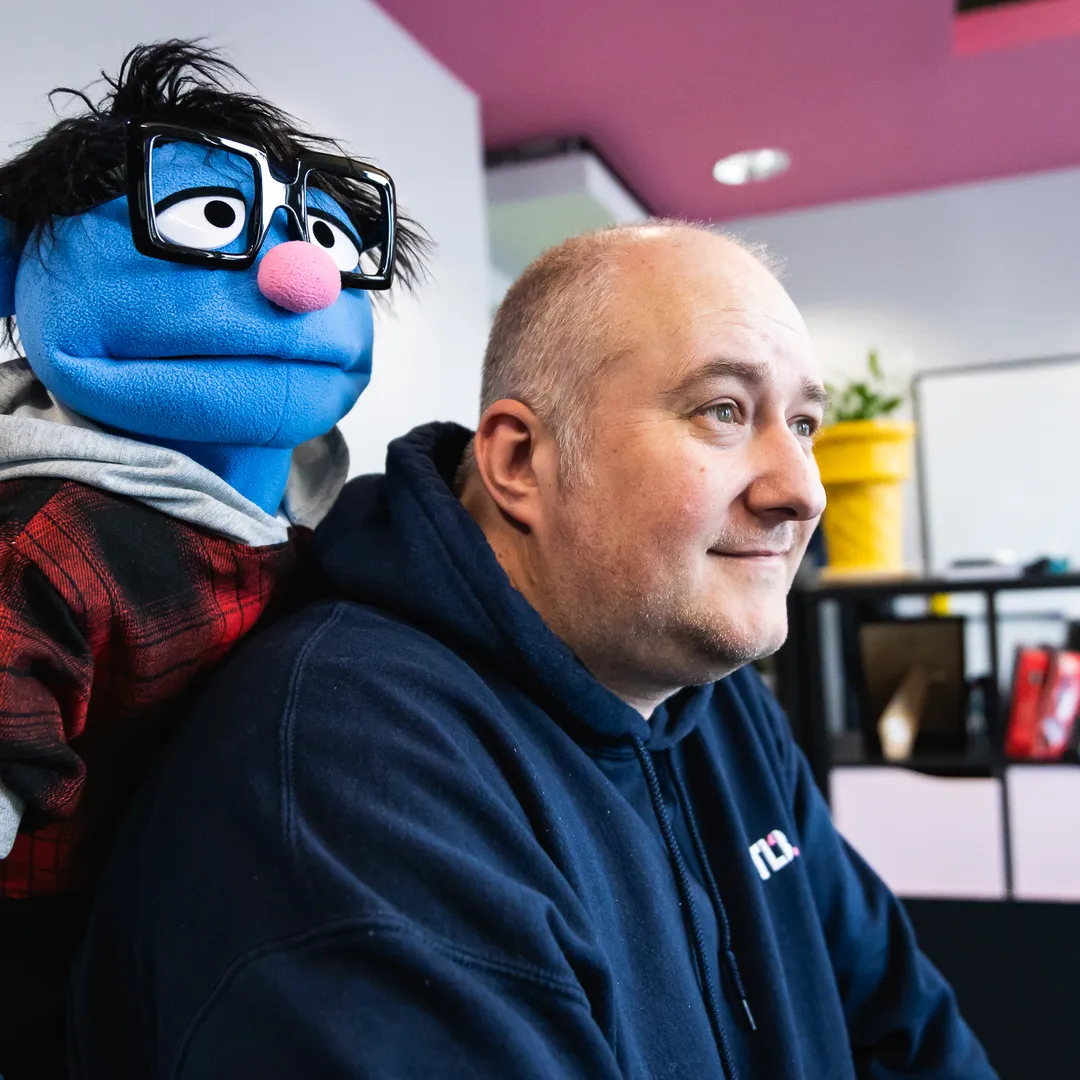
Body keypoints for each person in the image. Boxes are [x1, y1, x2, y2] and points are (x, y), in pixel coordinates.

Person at [69, 222, 996, 1078]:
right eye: (723, 409)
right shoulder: (348, 771)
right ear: (520, 462)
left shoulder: (711, 701)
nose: (803, 490)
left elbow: (906, 1030)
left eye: (802, 425)